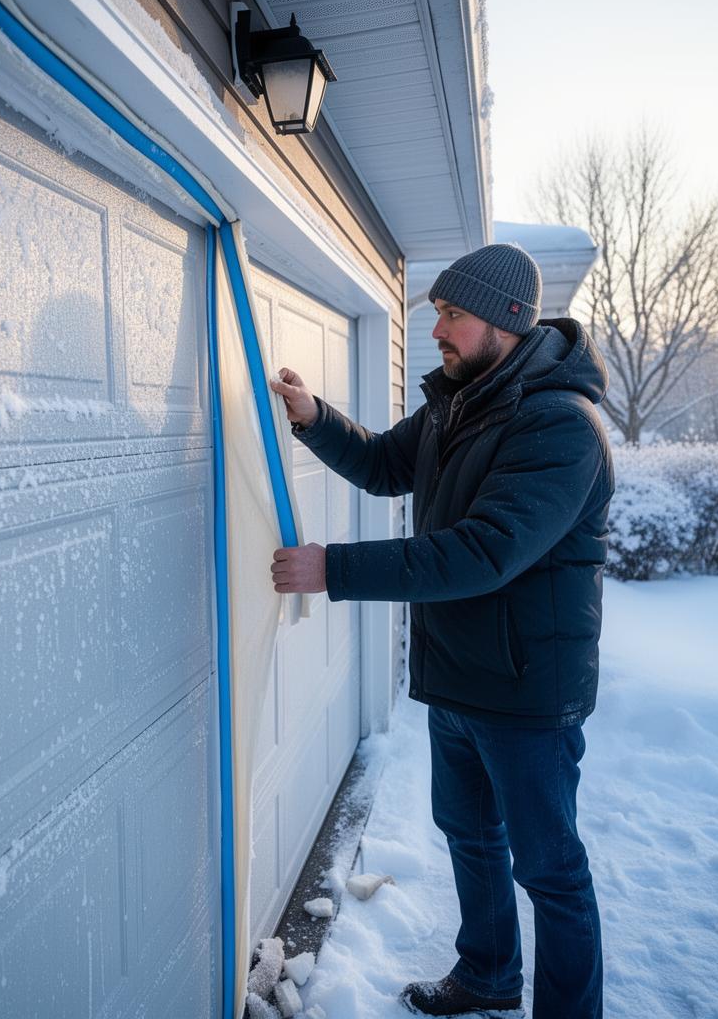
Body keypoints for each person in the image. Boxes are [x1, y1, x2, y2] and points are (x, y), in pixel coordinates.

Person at [268, 243, 612, 1019]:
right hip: (458, 675)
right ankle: (488, 973)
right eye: (437, 315)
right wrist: (316, 418)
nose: (438, 331)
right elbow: (387, 464)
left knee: (550, 869)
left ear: (507, 321)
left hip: (528, 692)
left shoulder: (560, 426)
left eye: (452, 315)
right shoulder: (459, 402)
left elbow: (486, 551)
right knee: (470, 834)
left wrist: (336, 570)